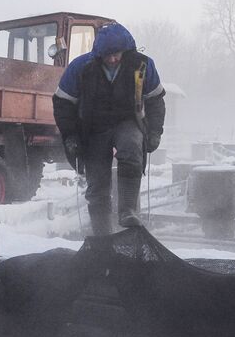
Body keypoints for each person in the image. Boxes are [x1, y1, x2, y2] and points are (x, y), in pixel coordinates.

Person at [52, 22, 166, 234]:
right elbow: (63, 103)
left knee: (131, 147)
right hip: (93, 128)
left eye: (117, 54)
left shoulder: (142, 66)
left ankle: (128, 210)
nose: (112, 59)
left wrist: (155, 132)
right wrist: (70, 136)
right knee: (97, 183)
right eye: (107, 55)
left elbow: (155, 100)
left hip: (128, 121)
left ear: (126, 51)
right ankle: (102, 236)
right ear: (98, 54)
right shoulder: (81, 68)